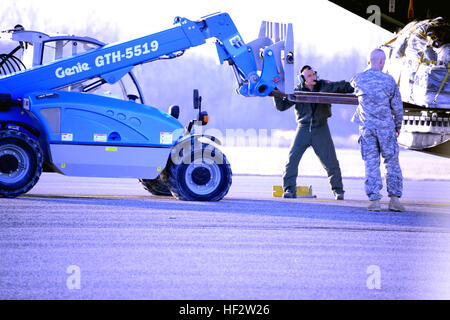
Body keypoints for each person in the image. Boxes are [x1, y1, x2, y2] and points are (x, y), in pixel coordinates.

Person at [272, 65, 354, 200]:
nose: (313, 77)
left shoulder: (324, 86)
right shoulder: (296, 91)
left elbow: (341, 87)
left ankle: (338, 191)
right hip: (303, 128)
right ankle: (289, 190)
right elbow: (281, 106)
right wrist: (275, 91)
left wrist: (355, 85)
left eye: (313, 74)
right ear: (302, 79)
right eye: (309, 75)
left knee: (331, 161)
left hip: (321, 128)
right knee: (292, 159)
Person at [350, 48, 405, 212]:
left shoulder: (358, 79)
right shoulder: (389, 81)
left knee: (371, 163)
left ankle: (374, 201)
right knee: (392, 163)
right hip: (386, 129)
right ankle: (394, 200)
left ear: (369, 61)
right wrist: (398, 126)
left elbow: (351, 89)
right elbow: (397, 108)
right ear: (381, 62)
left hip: (367, 129)